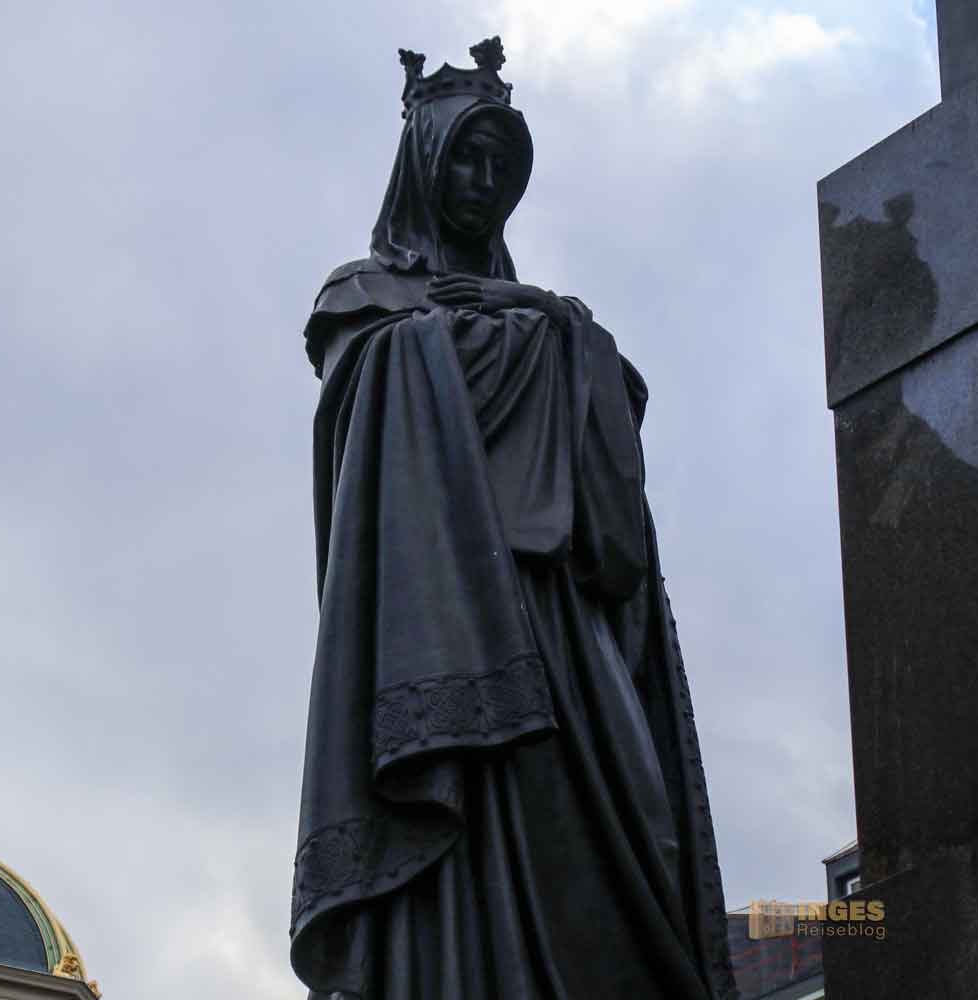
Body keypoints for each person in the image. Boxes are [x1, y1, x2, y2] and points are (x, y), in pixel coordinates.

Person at [291, 37, 738, 1000]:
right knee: (472, 839)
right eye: (466, 156)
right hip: (436, 618)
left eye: (502, 166)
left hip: (558, 611)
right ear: (421, 164)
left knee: (635, 821)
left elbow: (615, 421)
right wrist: (522, 334)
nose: (483, 181)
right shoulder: (362, 300)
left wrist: (525, 315)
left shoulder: (555, 316)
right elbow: (366, 430)